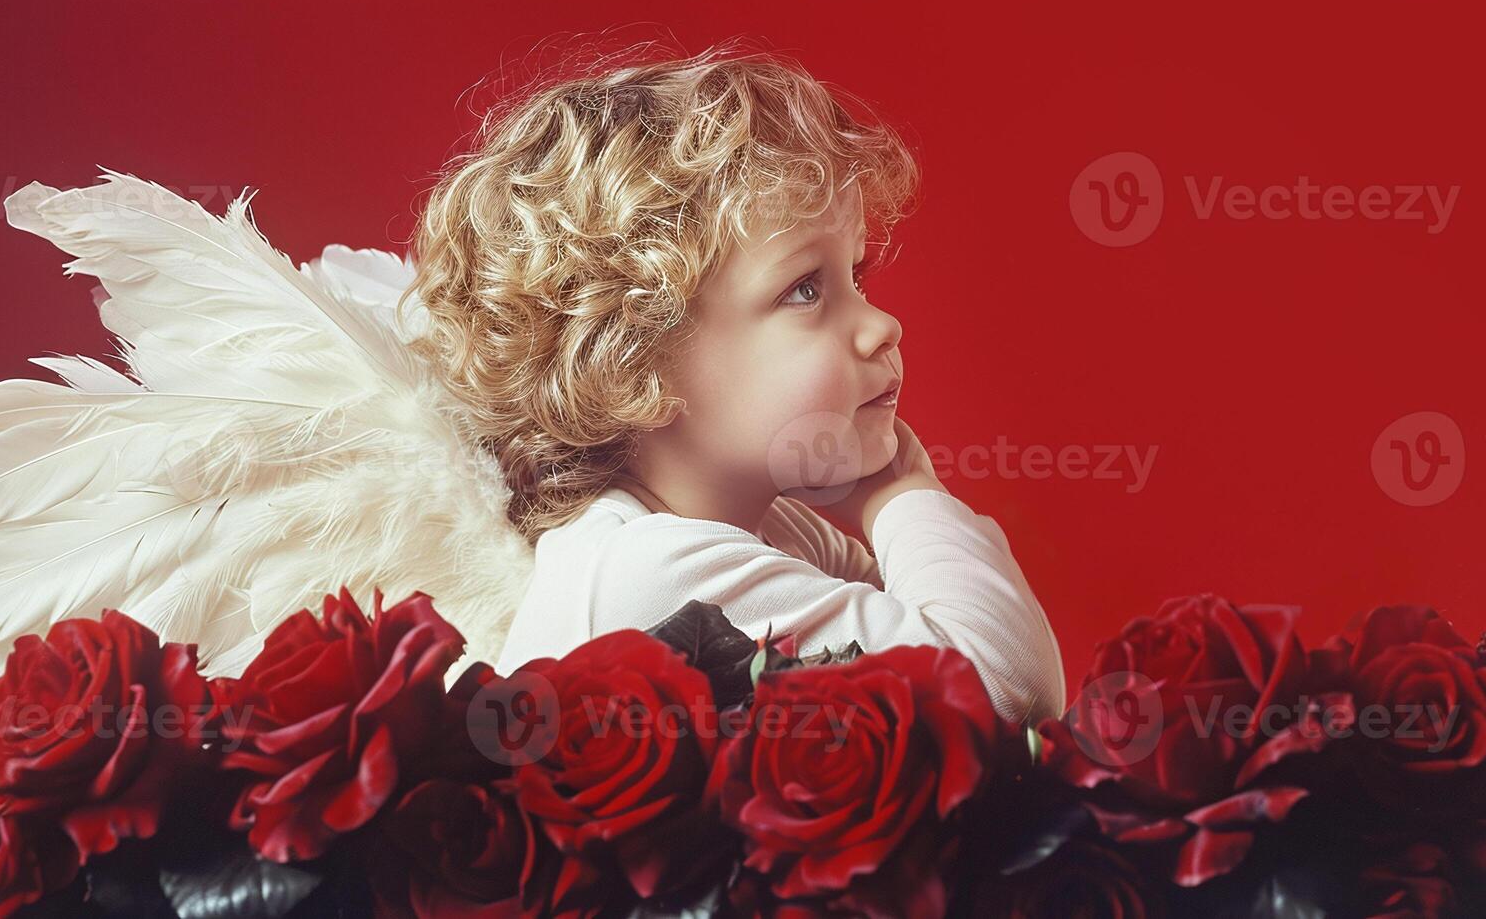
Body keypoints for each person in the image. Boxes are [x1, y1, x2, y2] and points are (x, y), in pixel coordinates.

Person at [410, 41, 1065, 723]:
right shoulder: (653, 571)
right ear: (633, 364)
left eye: (857, 276)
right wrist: (901, 491)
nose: (881, 326)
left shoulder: (773, 529)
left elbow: (962, 623)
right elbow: (1006, 692)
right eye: (806, 289)